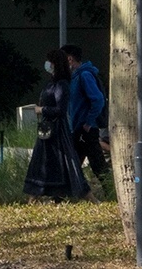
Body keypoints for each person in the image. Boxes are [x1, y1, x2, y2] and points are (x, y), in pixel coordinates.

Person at [23, 47, 90, 202]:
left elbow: (60, 110)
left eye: (50, 61)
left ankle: (87, 195)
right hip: (47, 130)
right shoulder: (52, 83)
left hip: (58, 131)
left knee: (68, 162)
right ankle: (33, 197)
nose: (47, 64)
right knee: (41, 162)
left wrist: (41, 110)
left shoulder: (62, 84)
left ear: (55, 64)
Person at [62, 43, 112, 195]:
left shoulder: (84, 76)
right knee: (75, 163)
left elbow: (97, 100)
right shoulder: (76, 77)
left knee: (96, 164)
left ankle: (110, 193)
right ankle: (69, 194)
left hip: (85, 128)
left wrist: (89, 122)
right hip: (79, 128)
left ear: (69, 59)